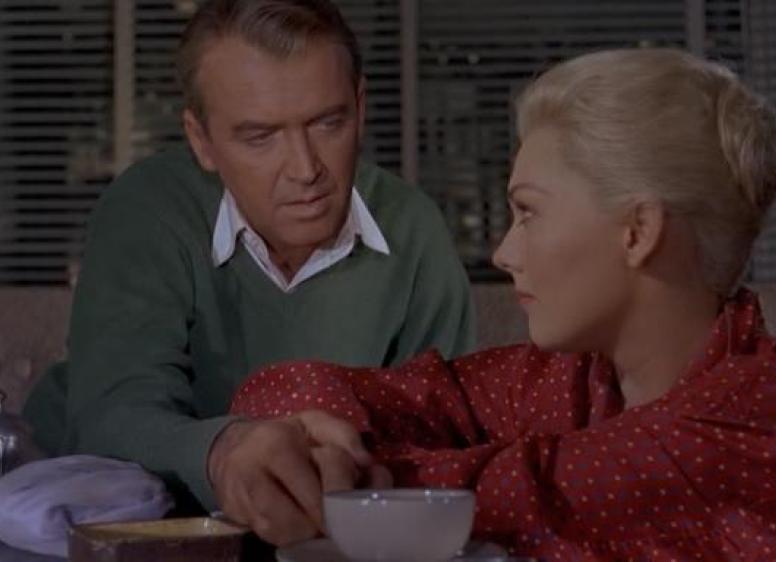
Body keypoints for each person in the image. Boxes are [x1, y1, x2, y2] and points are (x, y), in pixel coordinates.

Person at [229, 48, 776, 559]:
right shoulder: (569, 380)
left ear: (637, 232)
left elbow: (502, 492)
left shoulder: (746, 422)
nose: (503, 253)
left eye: (529, 212)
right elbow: (286, 386)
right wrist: (301, 443)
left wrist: (330, 472)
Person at [23, 0, 475, 546]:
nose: (306, 169)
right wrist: (225, 451)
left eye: (328, 123)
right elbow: (112, 415)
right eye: (260, 137)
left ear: (360, 107)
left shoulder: (414, 229)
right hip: (93, 522)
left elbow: (450, 431)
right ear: (202, 141)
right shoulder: (148, 209)